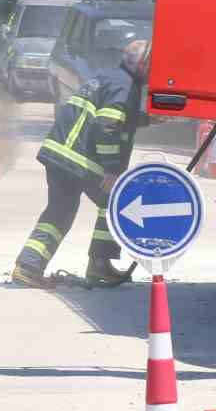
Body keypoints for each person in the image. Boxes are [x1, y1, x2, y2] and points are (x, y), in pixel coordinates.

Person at [12, 39, 151, 288]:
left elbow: (112, 117)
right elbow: (107, 125)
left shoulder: (110, 77)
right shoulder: (125, 84)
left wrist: (145, 119)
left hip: (61, 153)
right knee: (116, 203)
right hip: (78, 158)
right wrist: (112, 168)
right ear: (141, 65)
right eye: (151, 64)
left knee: (60, 211)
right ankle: (98, 264)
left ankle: (30, 265)